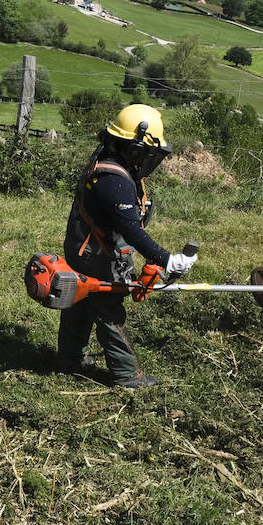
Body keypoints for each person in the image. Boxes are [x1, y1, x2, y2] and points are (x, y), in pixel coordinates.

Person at [57, 104, 195, 386]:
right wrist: (166, 259)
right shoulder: (114, 181)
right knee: (108, 310)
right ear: (134, 149)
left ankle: (69, 360)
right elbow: (130, 230)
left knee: (79, 302)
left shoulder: (107, 158)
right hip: (96, 254)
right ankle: (126, 375)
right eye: (148, 153)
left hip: (81, 247)